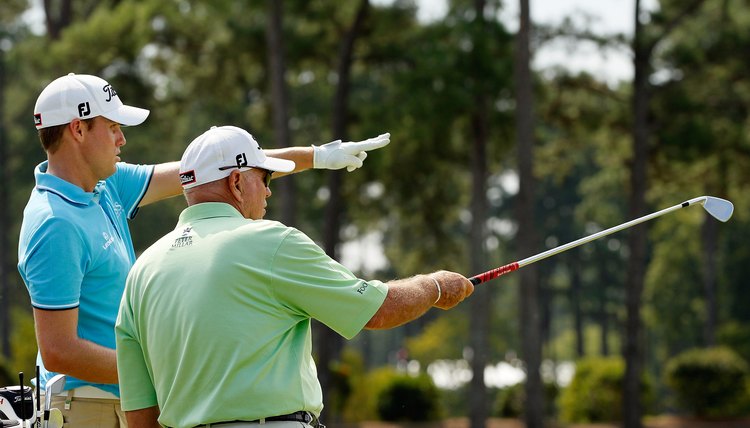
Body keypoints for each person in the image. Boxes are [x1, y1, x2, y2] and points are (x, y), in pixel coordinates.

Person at [17, 73, 390, 427]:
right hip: (84, 408)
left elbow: (212, 169)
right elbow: (59, 351)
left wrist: (315, 157)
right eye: (113, 128)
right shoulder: (55, 222)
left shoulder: (105, 187)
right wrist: (165, 368)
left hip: (122, 399)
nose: (122, 140)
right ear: (78, 129)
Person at [115, 126, 474, 428]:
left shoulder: (143, 269)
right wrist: (436, 285)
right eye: (265, 177)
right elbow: (380, 310)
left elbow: (140, 413)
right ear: (237, 182)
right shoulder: (270, 241)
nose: (269, 190)